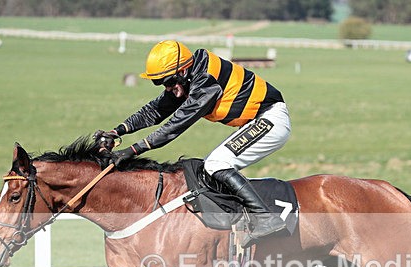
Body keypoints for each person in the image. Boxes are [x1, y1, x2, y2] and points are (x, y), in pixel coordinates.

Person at [97, 40, 289, 245]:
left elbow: (175, 126)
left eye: (169, 81)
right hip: (255, 121)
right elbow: (155, 110)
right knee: (209, 169)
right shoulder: (188, 79)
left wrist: (133, 150)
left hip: (270, 120)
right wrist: (118, 131)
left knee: (216, 164)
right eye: (162, 84)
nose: (169, 89)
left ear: (183, 70)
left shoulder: (205, 83)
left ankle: (265, 218)